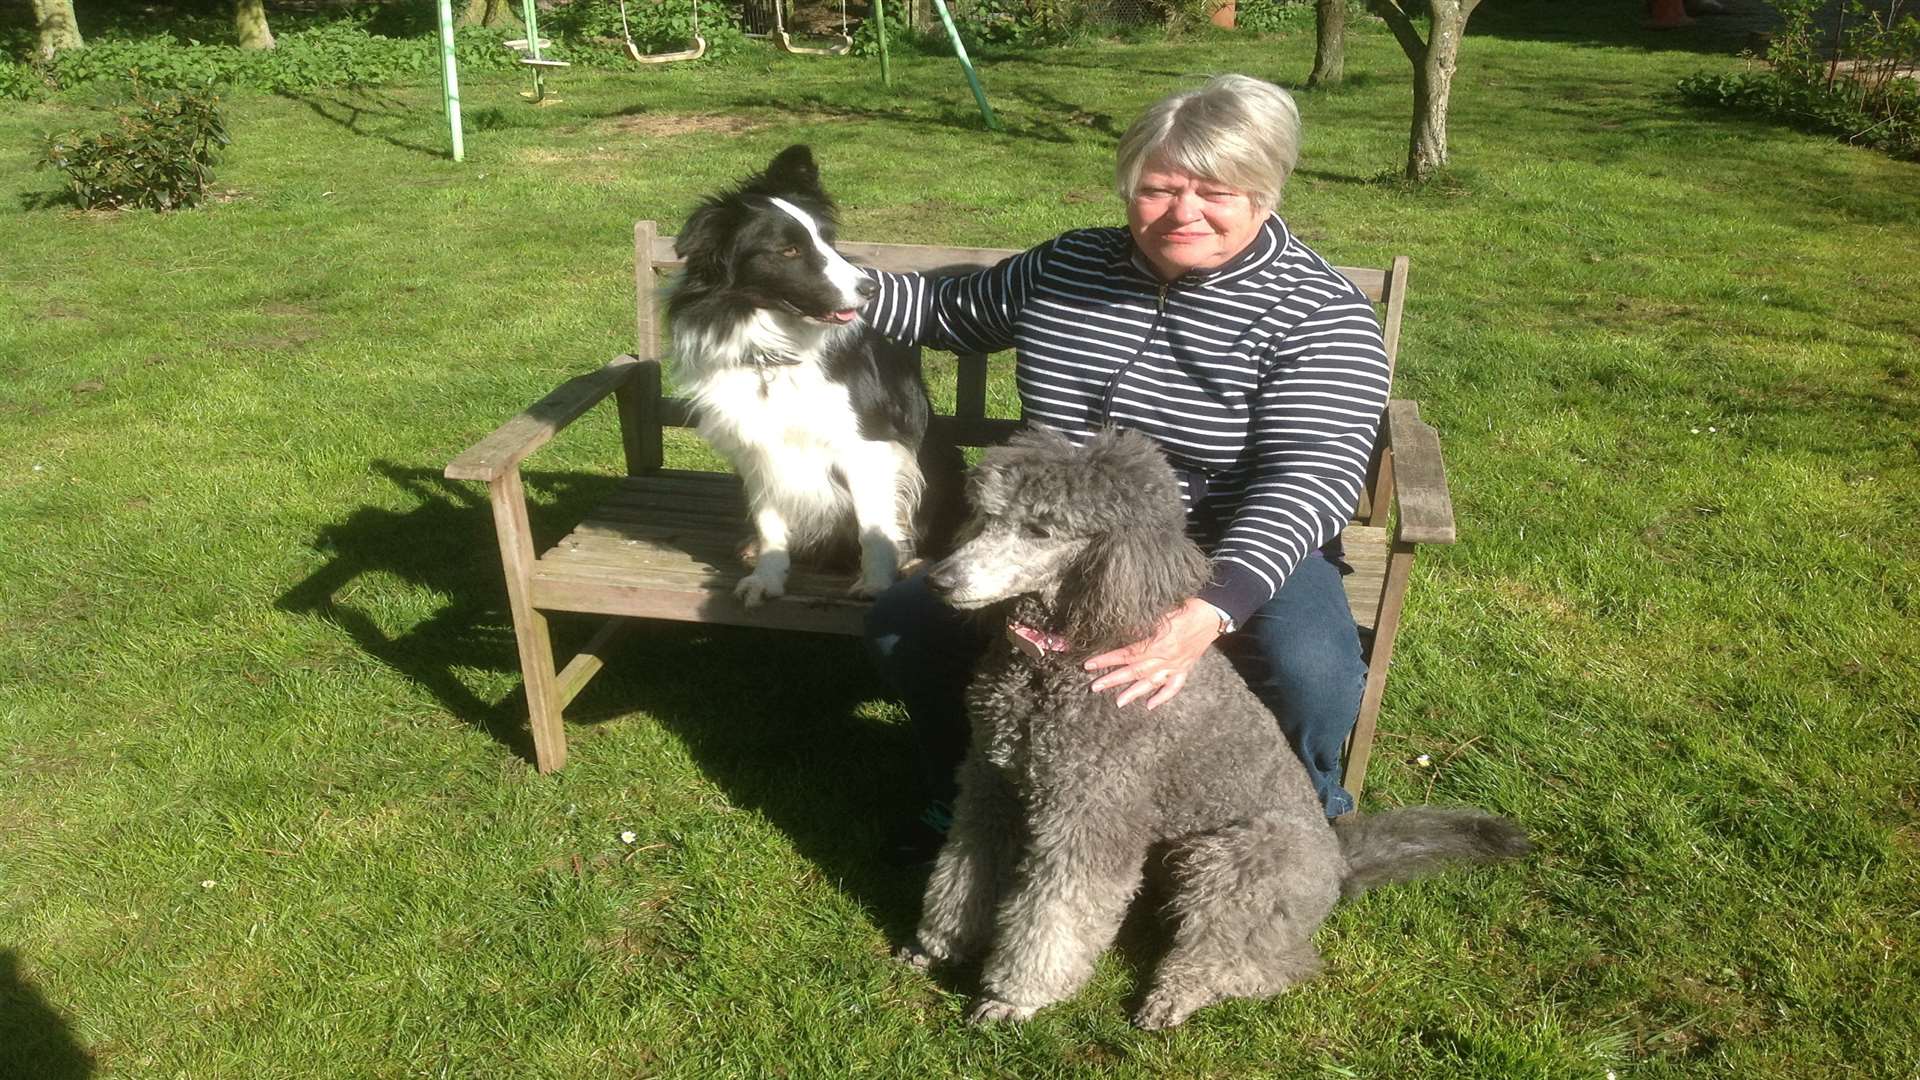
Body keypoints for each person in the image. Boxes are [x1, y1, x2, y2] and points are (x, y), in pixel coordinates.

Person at [861, 73, 1391, 860]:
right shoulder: (1068, 267)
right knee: (907, 625)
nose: (1183, 213)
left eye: (1215, 190)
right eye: (1157, 189)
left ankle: (1302, 820)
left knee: (1308, 666)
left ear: (1266, 193)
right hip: (1057, 538)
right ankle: (976, 789)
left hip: (1227, 539)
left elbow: (1310, 475)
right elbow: (948, 311)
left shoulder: (1319, 313)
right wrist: (821, 285)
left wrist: (1214, 607)